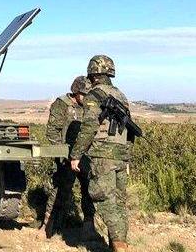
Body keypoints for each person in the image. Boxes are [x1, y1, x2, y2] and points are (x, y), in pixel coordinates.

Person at [70, 55, 133, 252]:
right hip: (121, 154)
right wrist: (127, 155)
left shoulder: (94, 95)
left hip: (103, 155)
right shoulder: (120, 94)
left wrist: (76, 155)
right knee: (119, 202)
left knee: (105, 199)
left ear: (93, 72)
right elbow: (129, 129)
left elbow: (89, 127)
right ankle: (120, 243)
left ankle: (119, 247)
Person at [42, 75, 94, 237]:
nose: (86, 98)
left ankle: (89, 226)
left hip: (85, 156)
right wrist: (61, 153)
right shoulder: (62, 104)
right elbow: (52, 131)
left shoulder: (90, 106)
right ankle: (49, 225)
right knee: (60, 190)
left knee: (90, 190)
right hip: (65, 157)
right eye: (83, 95)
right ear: (75, 91)